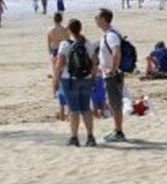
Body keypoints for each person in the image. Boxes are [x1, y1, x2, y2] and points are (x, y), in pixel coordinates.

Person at [52, 18, 100, 147]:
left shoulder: (65, 44)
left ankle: (74, 137)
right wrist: (93, 78)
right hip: (86, 78)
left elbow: (59, 64)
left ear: (68, 29)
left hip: (70, 80)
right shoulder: (88, 43)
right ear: (80, 29)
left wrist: (55, 81)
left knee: (74, 109)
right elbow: (95, 62)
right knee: (86, 108)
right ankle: (90, 137)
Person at [95, 8, 127, 143]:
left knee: (115, 103)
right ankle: (116, 130)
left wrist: (112, 70)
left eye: (97, 17)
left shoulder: (111, 35)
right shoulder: (108, 34)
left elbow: (116, 53)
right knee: (113, 102)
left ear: (103, 19)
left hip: (113, 74)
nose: (95, 19)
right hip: (110, 73)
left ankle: (119, 132)